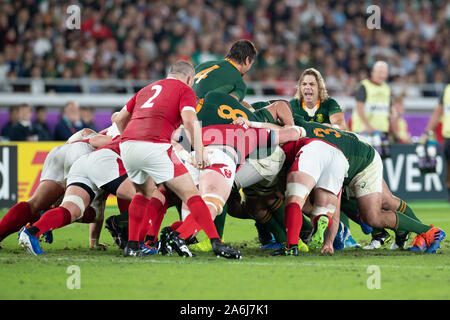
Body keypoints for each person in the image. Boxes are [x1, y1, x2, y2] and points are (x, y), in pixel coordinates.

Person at [115, 60, 241, 259]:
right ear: (190, 78)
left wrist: (130, 140)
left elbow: (120, 118)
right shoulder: (185, 90)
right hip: (156, 145)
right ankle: (217, 243)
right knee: (191, 193)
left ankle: (132, 246)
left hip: (128, 145)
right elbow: (190, 120)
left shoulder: (146, 89)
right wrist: (199, 152)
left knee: (143, 193)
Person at [17, 137, 135, 255]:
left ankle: (32, 231)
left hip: (84, 161)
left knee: (72, 209)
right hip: (101, 161)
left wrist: (94, 242)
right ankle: (144, 241)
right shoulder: (133, 136)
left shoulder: (122, 131)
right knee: (145, 195)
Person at [0, 128, 101, 248]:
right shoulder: (118, 140)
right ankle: (41, 224)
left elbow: (84, 132)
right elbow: (101, 200)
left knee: (34, 203)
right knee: (93, 212)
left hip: (62, 150)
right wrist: (94, 241)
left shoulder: (107, 131)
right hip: (85, 155)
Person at [421, 83, 450, 202]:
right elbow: (438, 111)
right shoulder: (447, 89)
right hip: (449, 135)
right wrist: (427, 132)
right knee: (449, 169)